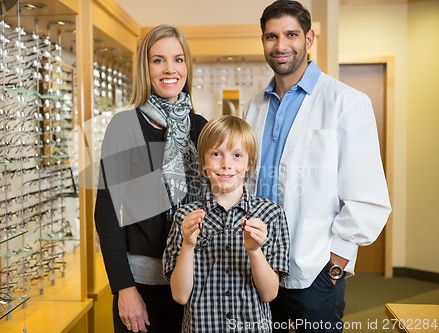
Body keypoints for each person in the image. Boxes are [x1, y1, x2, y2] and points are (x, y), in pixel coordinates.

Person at [243, 1, 392, 332]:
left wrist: (334, 268)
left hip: (314, 273)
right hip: (257, 267)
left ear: (309, 39)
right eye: (271, 37)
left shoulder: (346, 102)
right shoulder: (252, 107)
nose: (281, 46)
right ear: (263, 41)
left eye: (291, 35)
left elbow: (367, 197)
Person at [94, 25, 207, 333]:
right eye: (158, 60)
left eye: (178, 59)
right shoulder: (125, 126)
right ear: (146, 67)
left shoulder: (200, 127)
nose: (170, 69)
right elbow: (106, 215)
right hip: (143, 287)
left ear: (187, 66)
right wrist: (124, 288)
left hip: (197, 284)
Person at [163, 115, 290, 333]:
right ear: (203, 162)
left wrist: (254, 251)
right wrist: (188, 245)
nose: (226, 164)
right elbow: (180, 295)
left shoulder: (271, 215)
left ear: (249, 163)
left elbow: (269, 294)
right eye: (216, 154)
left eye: (237, 155)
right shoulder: (185, 217)